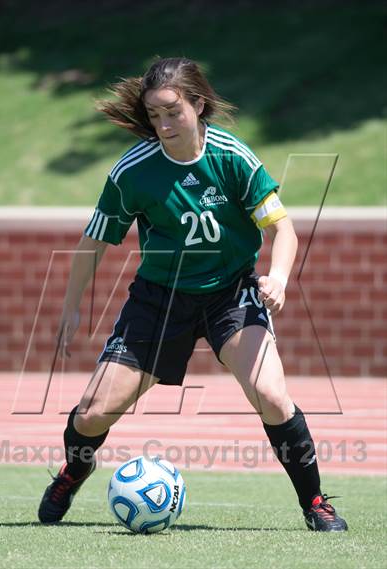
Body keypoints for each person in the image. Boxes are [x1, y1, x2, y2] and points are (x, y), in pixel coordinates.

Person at [38, 57, 347, 532]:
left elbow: (284, 230)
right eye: (154, 115)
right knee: (91, 414)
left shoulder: (233, 158)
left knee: (271, 395)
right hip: (159, 299)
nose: (162, 125)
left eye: (172, 112)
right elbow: (92, 243)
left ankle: (316, 502)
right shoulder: (132, 172)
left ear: (198, 105)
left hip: (231, 293)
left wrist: (279, 278)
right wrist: (71, 307)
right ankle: (75, 469)